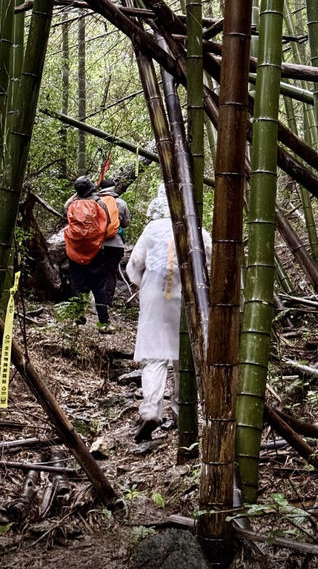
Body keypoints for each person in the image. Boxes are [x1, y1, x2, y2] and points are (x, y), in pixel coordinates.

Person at [126, 183, 212, 443]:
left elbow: (134, 265)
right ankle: (180, 413)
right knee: (183, 357)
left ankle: (151, 410)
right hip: (186, 296)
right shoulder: (196, 229)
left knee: (155, 357)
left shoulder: (152, 229)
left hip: (154, 296)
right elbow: (210, 259)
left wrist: (145, 285)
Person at [64, 175, 113, 332]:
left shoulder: (72, 204)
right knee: (99, 286)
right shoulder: (99, 203)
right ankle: (104, 323)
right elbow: (108, 224)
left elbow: (66, 208)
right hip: (96, 251)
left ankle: (77, 319)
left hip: (74, 251)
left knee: (77, 285)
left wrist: (76, 194)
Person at [98, 177, 131, 312]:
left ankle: (96, 299)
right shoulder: (121, 203)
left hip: (97, 243)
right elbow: (126, 223)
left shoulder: (96, 202)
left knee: (97, 270)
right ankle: (107, 301)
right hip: (116, 244)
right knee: (111, 273)